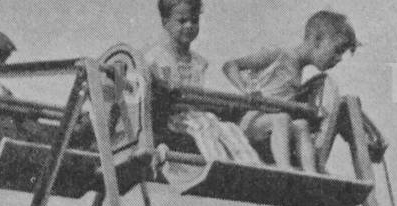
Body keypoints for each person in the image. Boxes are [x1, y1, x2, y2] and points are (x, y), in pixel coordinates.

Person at [222, 11, 360, 172]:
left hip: (276, 127)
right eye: (337, 50)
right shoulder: (278, 55)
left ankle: (310, 174)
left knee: (301, 125)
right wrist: (248, 90)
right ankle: (285, 169)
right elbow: (230, 66)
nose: (339, 58)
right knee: (282, 118)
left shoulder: (299, 71)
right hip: (252, 121)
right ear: (317, 40)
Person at [145, 0, 260, 165]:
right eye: (182, 21)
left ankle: (249, 164)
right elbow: (155, 89)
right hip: (170, 115)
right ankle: (218, 164)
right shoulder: (157, 58)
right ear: (165, 22)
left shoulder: (198, 62)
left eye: (194, 20)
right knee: (203, 127)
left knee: (228, 128)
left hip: (193, 113)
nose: (189, 26)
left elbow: (198, 96)